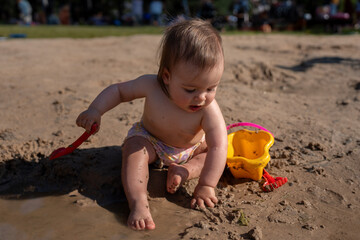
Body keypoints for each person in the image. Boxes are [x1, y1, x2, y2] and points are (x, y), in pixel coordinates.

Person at [76, 19, 228, 230]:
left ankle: (184, 171)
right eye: (190, 90)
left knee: (209, 154)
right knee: (134, 150)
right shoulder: (151, 85)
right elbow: (119, 91)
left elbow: (220, 145)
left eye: (211, 88)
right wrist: (95, 110)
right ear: (167, 76)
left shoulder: (208, 110)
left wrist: (206, 185)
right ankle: (138, 201)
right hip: (151, 140)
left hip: (190, 148)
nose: (201, 98)